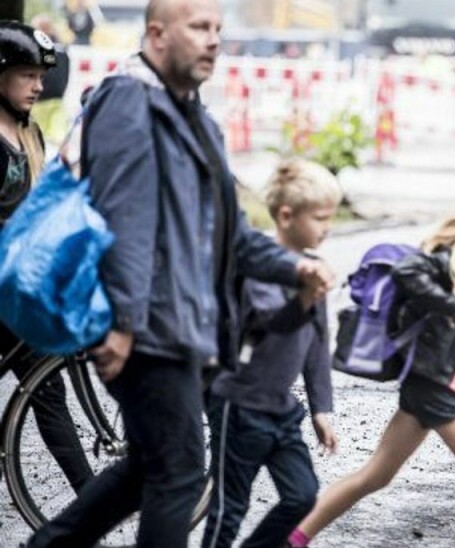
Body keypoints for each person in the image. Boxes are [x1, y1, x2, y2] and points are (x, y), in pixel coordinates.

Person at [27, 0, 334, 546]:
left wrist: (295, 266)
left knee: (151, 466)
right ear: (157, 34)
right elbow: (125, 219)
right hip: (146, 324)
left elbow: (234, 236)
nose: (213, 39)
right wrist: (123, 321)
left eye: (218, 28)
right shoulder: (127, 103)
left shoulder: (198, 121)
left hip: (186, 325)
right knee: (182, 471)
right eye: (199, 27)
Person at [287, 172, 455, 548]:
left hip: (430, 385)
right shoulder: (451, 255)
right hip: (442, 389)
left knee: (374, 476)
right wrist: (453, 305)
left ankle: (292, 539)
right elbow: (408, 272)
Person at [202, 158, 341, 548]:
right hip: (239, 405)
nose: (327, 227)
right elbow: (265, 324)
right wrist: (302, 299)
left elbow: (317, 345)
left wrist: (321, 409)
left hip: (281, 409)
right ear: (285, 215)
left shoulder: (314, 267)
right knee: (230, 507)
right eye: (319, 217)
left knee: (302, 496)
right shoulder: (258, 263)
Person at [0, 18, 94, 494]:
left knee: (48, 391)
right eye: (26, 75)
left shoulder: (28, 133)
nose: (38, 85)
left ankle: (90, 501)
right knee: (47, 390)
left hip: (14, 286)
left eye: (41, 76)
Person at [29, 14, 71, 144]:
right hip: (57, 99)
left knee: (35, 139)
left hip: (38, 101)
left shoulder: (34, 48)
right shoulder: (62, 49)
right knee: (59, 137)